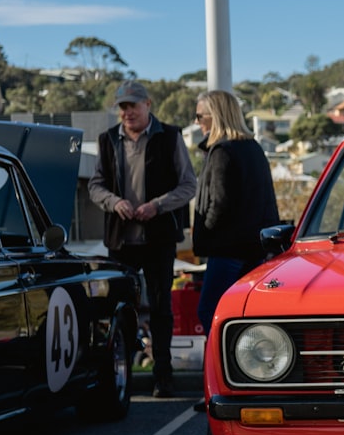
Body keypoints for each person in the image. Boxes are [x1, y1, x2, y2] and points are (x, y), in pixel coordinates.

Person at [89, 80, 197, 398]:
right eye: (122, 107)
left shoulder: (171, 136)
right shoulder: (107, 140)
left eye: (132, 106)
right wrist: (114, 202)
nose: (127, 112)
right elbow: (95, 186)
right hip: (120, 241)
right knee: (121, 310)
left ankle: (163, 375)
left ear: (148, 104)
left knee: (162, 309)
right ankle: (121, 376)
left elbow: (189, 185)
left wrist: (157, 206)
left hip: (159, 239)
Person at [192, 89, 280, 336]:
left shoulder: (222, 152)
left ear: (215, 116)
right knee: (244, 314)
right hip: (254, 247)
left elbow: (219, 203)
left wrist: (204, 235)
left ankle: (222, 369)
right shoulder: (253, 148)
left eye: (200, 116)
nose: (197, 122)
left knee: (211, 311)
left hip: (226, 249)